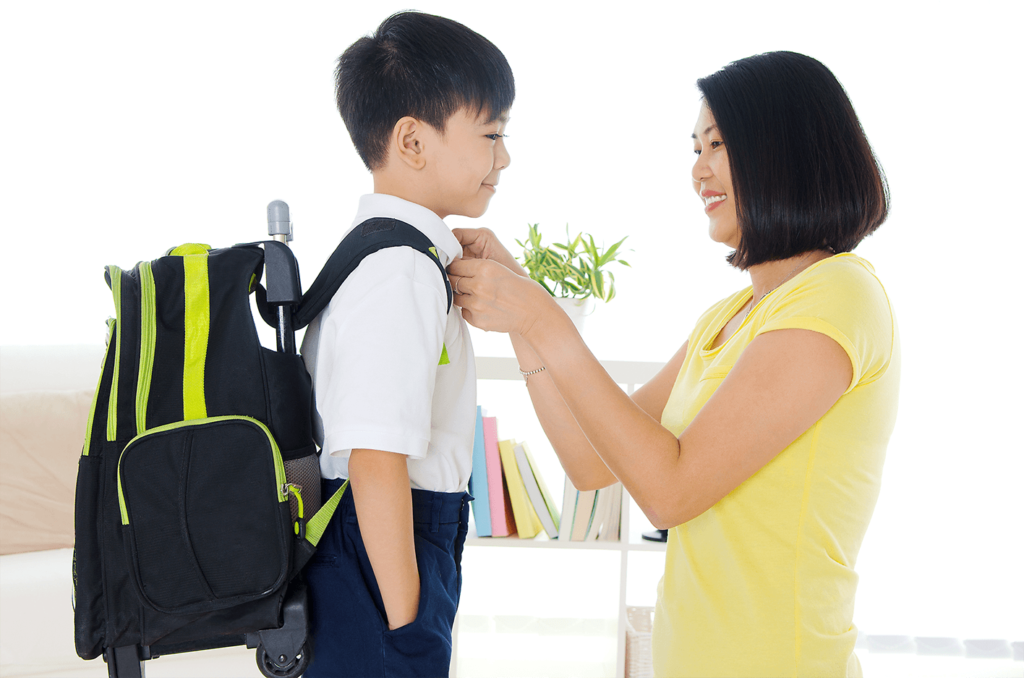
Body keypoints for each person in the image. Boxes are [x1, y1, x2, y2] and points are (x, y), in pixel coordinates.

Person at [448, 51, 898, 677]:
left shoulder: (839, 295)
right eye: (694, 148)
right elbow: (588, 461)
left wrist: (540, 316)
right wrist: (524, 306)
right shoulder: (729, 316)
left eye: (719, 144)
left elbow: (669, 492)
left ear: (786, 150)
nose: (699, 170)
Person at [299, 11, 513, 677]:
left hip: (384, 538)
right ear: (413, 142)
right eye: (491, 134)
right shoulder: (401, 273)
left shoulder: (389, 257)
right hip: (385, 546)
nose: (504, 157)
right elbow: (375, 458)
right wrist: (407, 626)